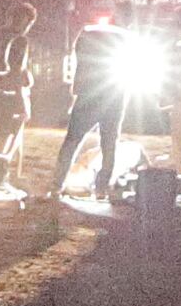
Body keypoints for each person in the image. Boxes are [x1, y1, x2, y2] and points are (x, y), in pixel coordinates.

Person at [51, 15, 134, 201]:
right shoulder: (125, 37)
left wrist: (77, 89)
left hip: (89, 95)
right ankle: (102, 188)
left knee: (72, 141)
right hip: (114, 97)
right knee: (109, 143)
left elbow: (79, 62)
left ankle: (57, 185)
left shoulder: (88, 33)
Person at [0, 1, 39, 190]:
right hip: (13, 93)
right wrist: (23, 102)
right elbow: (17, 71)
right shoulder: (20, 40)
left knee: (4, 133)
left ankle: (6, 174)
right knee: (12, 135)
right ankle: (1, 174)